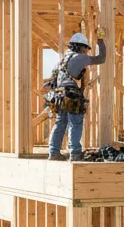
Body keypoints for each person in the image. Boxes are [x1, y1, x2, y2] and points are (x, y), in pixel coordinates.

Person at [46, 31, 107, 161]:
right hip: (71, 95)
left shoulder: (64, 59)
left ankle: (53, 152)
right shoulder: (80, 57)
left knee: (60, 123)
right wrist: (100, 40)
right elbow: (101, 58)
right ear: (81, 47)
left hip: (59, 96)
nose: (86, 52)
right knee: (76, 123)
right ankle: (75, 153)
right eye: (86, 48)